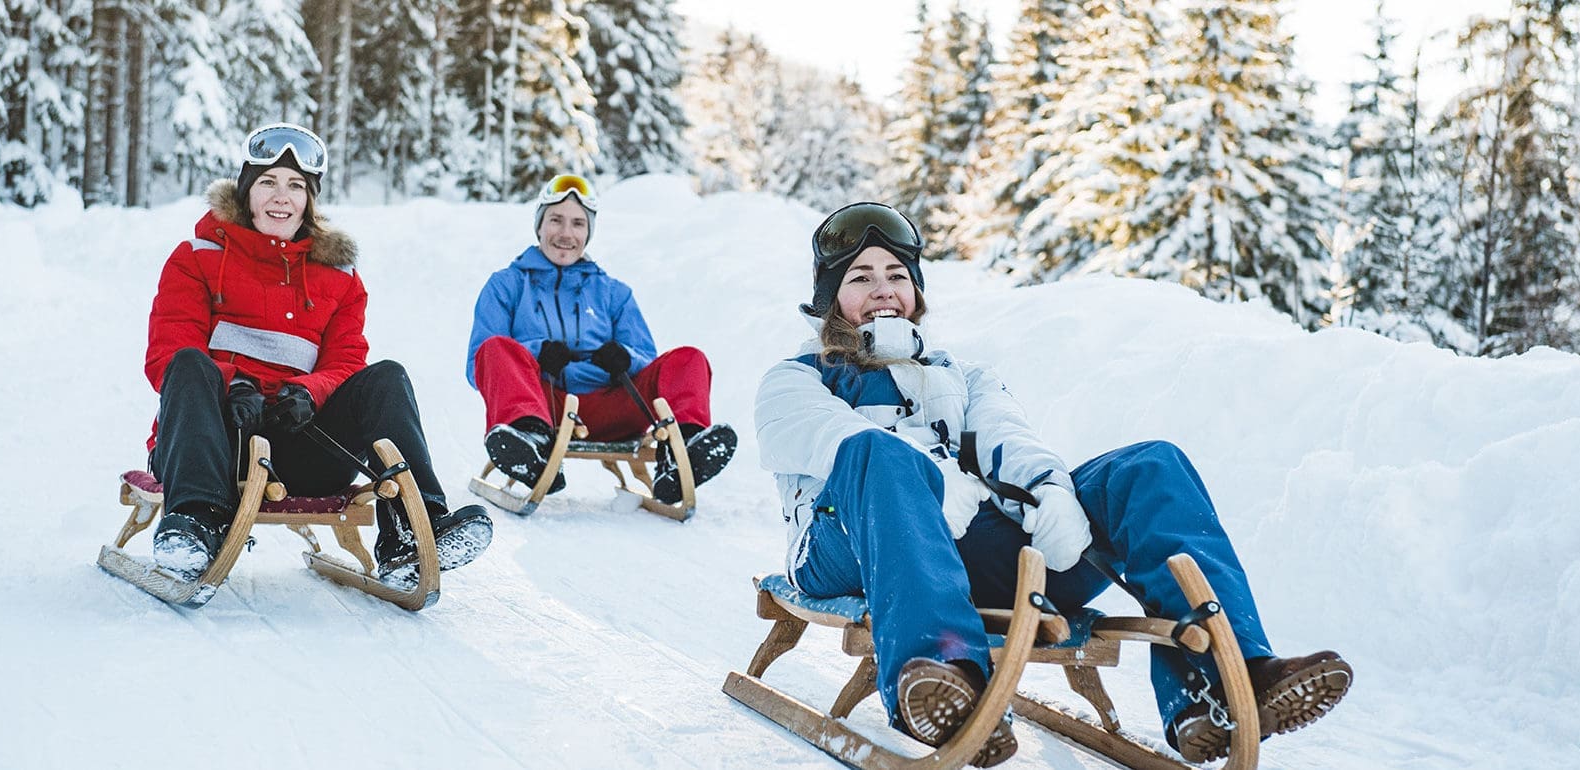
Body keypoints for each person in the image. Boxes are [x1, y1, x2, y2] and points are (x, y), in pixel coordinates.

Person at [753, 202, 1354, 765]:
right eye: (860, 277)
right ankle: (945, 680)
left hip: (966, 551)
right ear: (831, 299)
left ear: (916, 292)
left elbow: (1008, 437)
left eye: (895, 273)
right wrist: (930, 480)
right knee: (874, 455)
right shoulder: (795, 380)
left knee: (1149, 467)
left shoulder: (963, 376)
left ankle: (1228, 682)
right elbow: (831, 439)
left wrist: (1051, 492)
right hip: (847, 549)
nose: (882, 288)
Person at [143, 122, 491, 588]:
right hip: (211, 445)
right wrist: (233, 384)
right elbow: (168, 353)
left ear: (310, 199)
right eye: (267, 183)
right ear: (246, 191)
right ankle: (195, 527)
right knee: (188, 363)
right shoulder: (197, 256)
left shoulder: (340, 277)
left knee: (386, 377)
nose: (280, 197)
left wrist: (309, 391)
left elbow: (347, 361)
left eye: (295, 187)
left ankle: (413, 531)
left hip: (299, 443)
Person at [465, 173, 735, 504]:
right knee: (495, 348)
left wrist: (624, 358)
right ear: (539, 226)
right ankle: (531, 446)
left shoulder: (613, 293)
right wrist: (536, 354)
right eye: (556, 220)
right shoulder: (506, 285)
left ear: (588, 232)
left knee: (689, 358)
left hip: (612, 406)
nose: (566, 233)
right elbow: (478, 364)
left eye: (578, 224)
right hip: (546, 404)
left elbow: (647, 360)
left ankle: (682, 452)